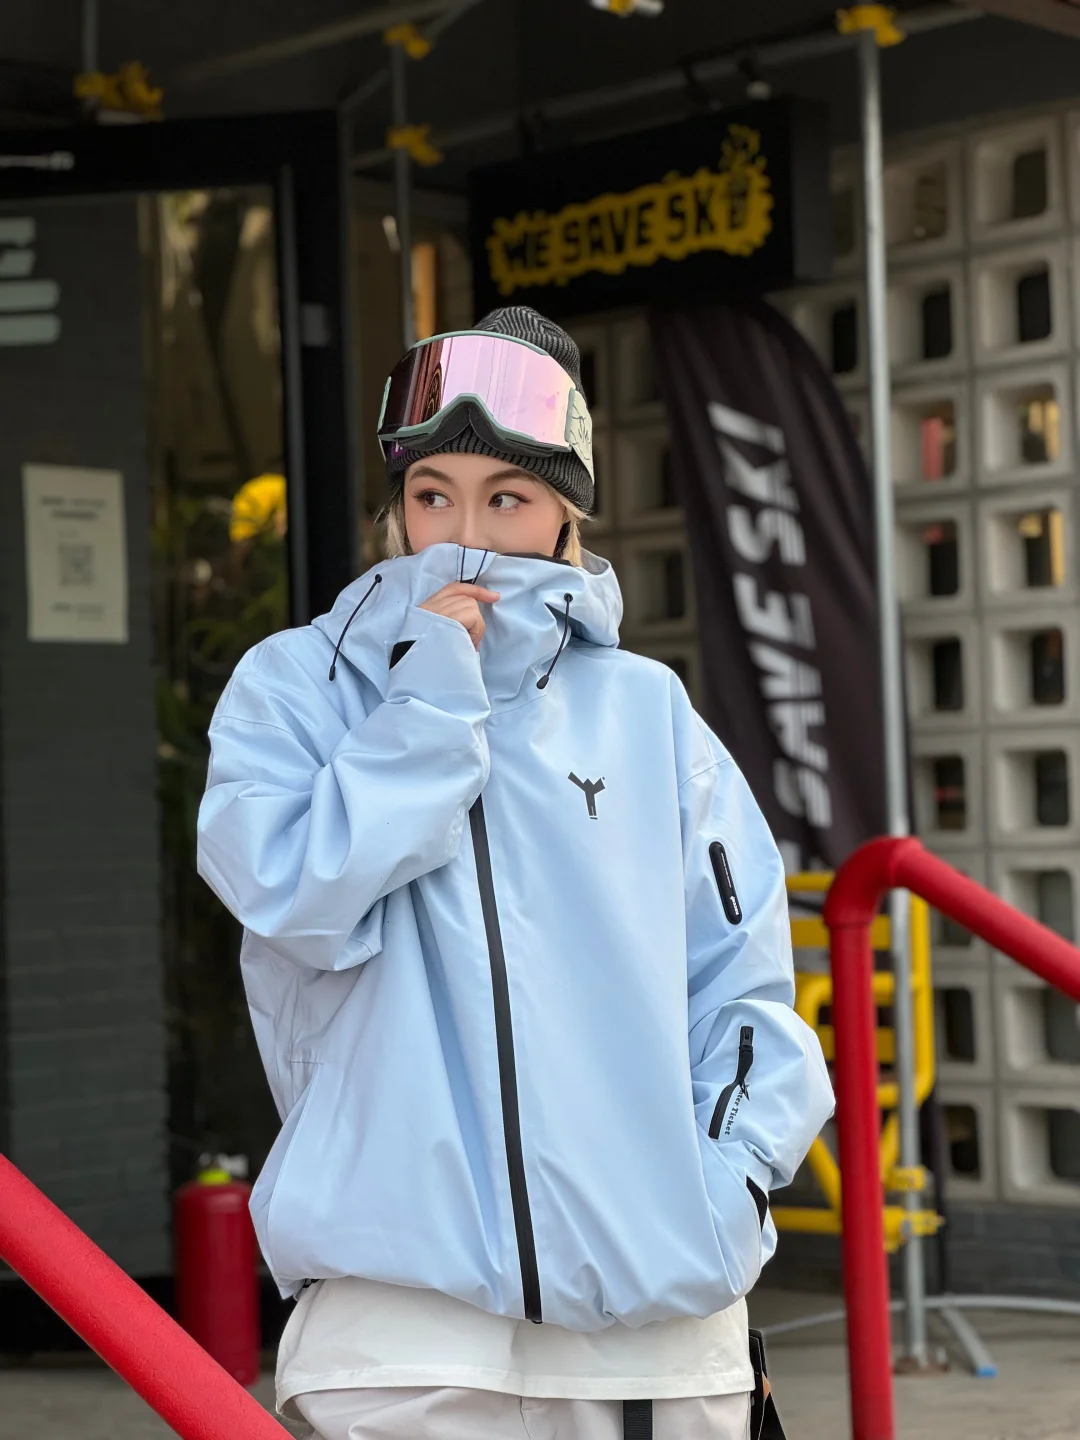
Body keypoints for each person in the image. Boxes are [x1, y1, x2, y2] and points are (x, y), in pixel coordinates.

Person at [197, 306, 833, 1440]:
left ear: (562, 515)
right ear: (398, 505)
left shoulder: (647, 711)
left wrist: (727, 1181)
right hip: (402, 1330)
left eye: (507, 498)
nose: (462, 531)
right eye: (432, 493)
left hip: (660, 1329)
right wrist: (429, 705)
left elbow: (742, 986)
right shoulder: (297, 688)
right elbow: (294, 894)